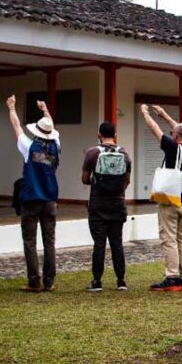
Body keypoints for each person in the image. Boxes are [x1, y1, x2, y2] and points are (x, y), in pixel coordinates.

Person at [140, 104, 182, 292]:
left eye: (173, 132)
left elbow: (154, 129)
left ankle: (172, 277)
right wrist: (164, 115)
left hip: (170, 201)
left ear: (175, 136)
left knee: (169, 239)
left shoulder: (172, 147)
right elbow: (181, 130)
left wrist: (145, 113)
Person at [6, 95, 60, 293]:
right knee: (49, 242)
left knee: (30, 241)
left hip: (31, 198)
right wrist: (45, 110)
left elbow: (16, 127)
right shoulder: (57, 147)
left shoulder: (29, 147)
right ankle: (49, 281)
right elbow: (50, 127)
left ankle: (34, 280)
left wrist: (12, 107)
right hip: (50, 198)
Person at [81, 121, 131, 292]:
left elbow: (84, 179)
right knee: (117, 242)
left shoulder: (92, 153)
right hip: (117, 203)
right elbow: (127, 180)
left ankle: (97, 281)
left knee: (99, 243)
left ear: (99, 135)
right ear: (115, 135)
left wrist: (98, 184)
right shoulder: (124, 154)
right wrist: (117, 191)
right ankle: (121, 281)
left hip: (98, 203)